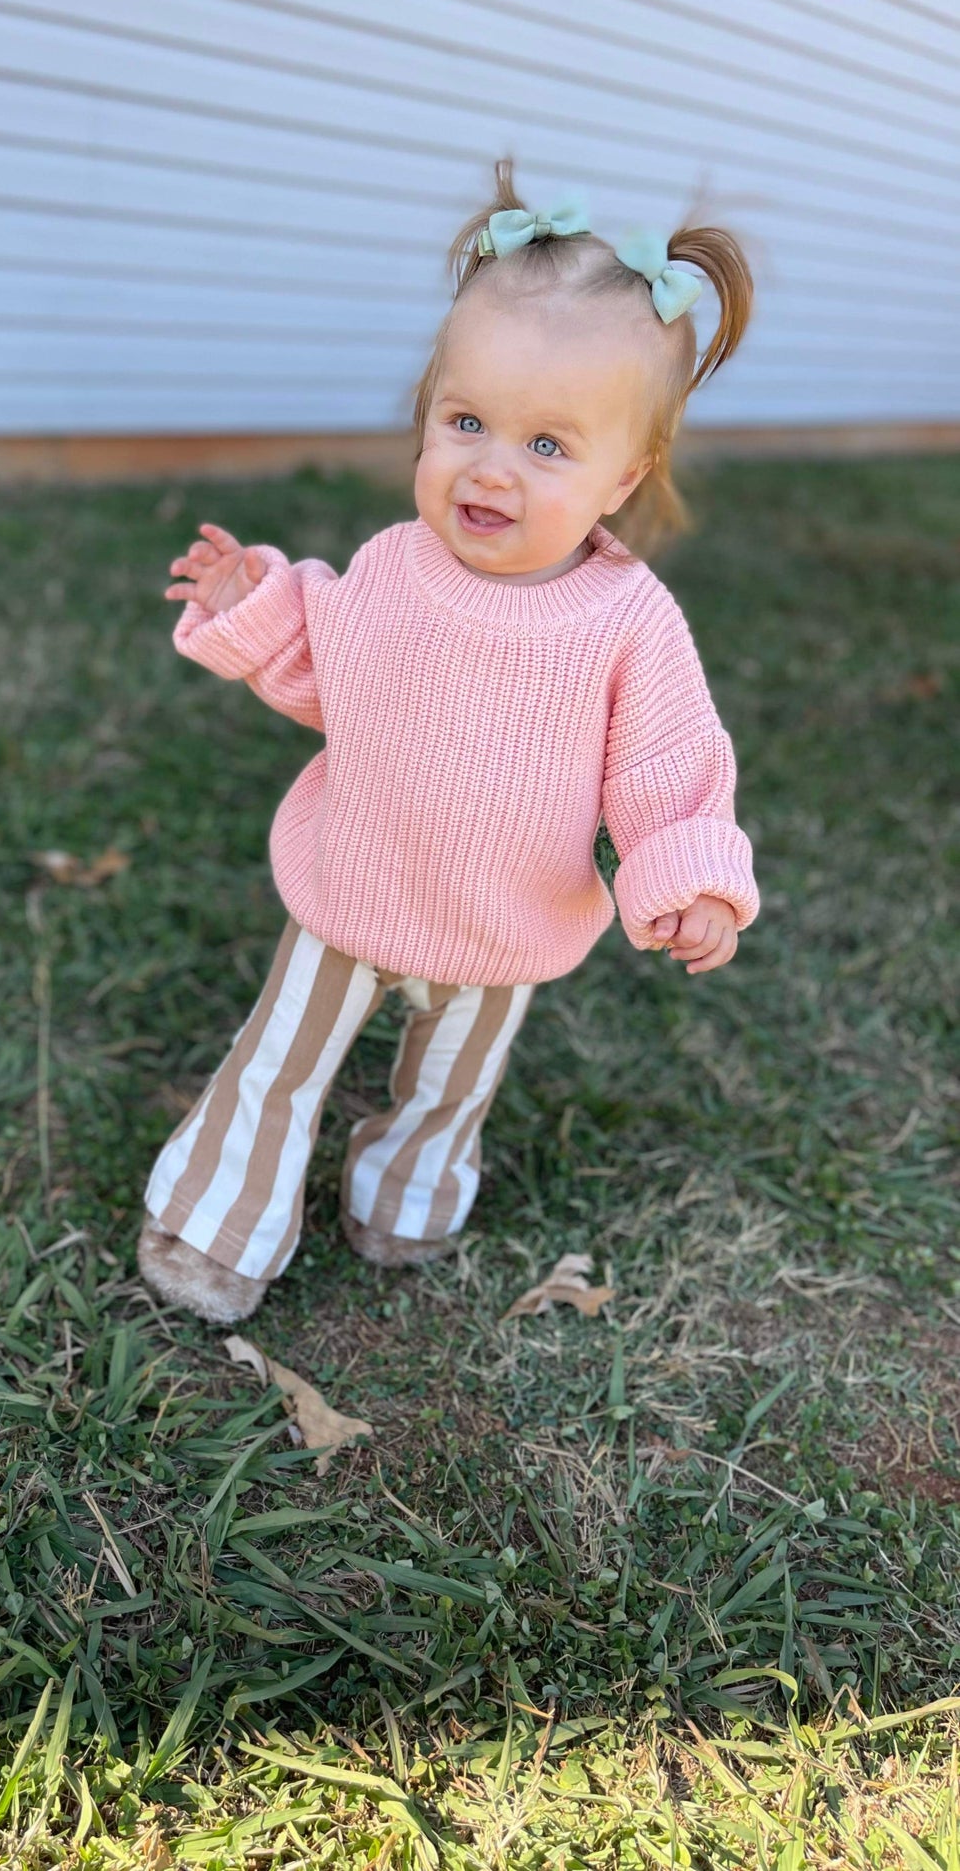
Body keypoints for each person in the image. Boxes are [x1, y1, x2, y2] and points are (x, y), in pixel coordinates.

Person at [139, 160, 759, 1325]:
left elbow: (667, 764)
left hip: (499, 920)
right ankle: (215, 1220)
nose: (489, 466)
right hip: (354, 882)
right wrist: (252, 605)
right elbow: (336, 674)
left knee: (448, 1084)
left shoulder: (626, 622)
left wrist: (687, 878)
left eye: (547, 445)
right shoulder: (393, 564)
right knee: (275, 1061)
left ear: (621, 476)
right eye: (464, 420)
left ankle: (407, 1197)